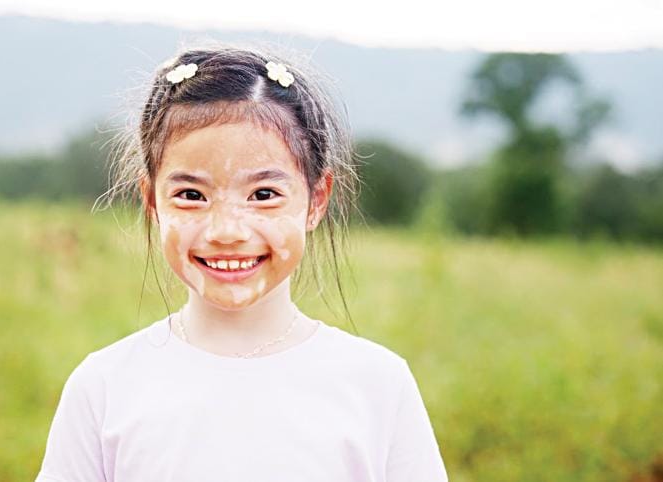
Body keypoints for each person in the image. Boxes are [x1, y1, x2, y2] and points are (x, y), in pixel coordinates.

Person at [35, 42, 448, 482]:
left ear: (316, 201)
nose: (227, 231)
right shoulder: (104, 388)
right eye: (191, 195)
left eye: (264, 194)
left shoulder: (377, 386)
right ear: (152, 202)